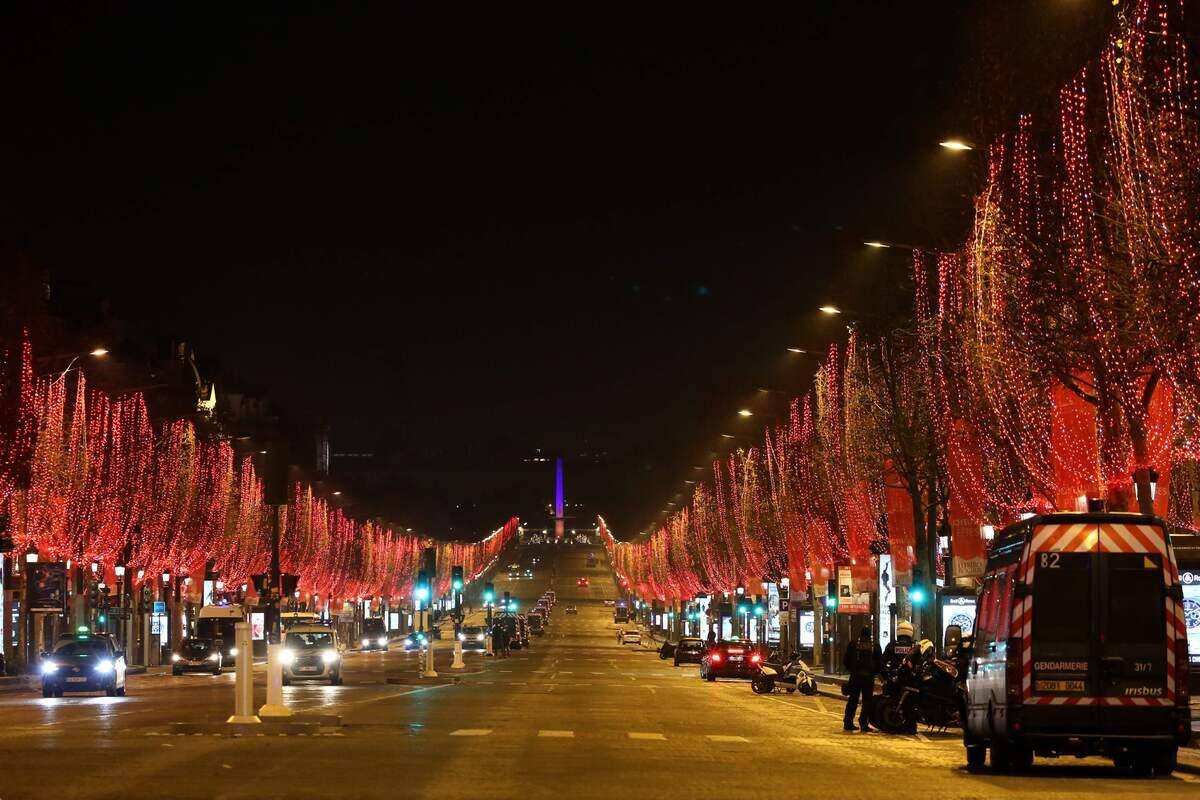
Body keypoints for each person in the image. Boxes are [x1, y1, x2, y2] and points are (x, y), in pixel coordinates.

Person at [843, 626, 881, 732]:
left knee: (853, 700)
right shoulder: (875, 646)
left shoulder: (853, 644)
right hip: (868, 678)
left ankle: (848, 722)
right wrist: (873, 673)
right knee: (867, 702)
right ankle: (864, 723)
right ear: (870, 635)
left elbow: (846, 660)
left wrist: (852, 670)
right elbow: (879, 663)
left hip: (855, 677)